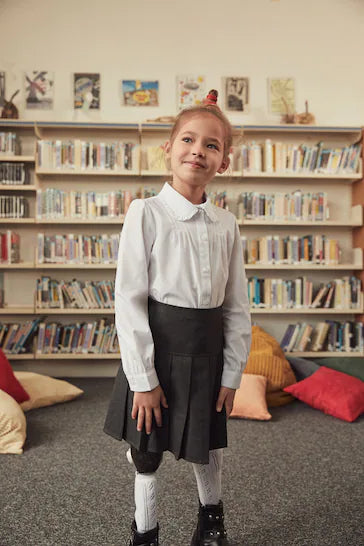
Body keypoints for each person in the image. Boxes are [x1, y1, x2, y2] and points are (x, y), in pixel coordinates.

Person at [104, 89, 251, 546]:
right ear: (168, 148)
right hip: (158, 351)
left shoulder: (227, 225)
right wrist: (143, 380)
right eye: (188, 139)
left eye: (212, 145)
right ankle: (145, 531)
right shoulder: (144, 213)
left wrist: (232, 372)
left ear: (224, 161)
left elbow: (236, 306)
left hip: (207, 354)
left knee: (207, 444)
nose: (198, 151)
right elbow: (129, 300)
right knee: (146, 451)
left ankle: (210, 522)